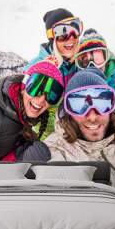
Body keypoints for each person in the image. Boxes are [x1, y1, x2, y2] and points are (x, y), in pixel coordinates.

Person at [43, 67, 115, 217]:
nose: (92, 116)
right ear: (68, 112)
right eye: (79, 105)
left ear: (112, 108)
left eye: (102, 103)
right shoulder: (54, 150)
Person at [24, 8, 83, 139]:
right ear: (52, 37)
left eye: (75, 29)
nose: (71, 39)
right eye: (63, 33)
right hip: (46, 136)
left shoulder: (80, 63)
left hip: (75, 135)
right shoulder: (38, 66)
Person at [74, 28, 115, 107]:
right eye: (86, 61)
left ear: (106, 58)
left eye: (98, 58)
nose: (92, 66)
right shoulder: (76, 82)